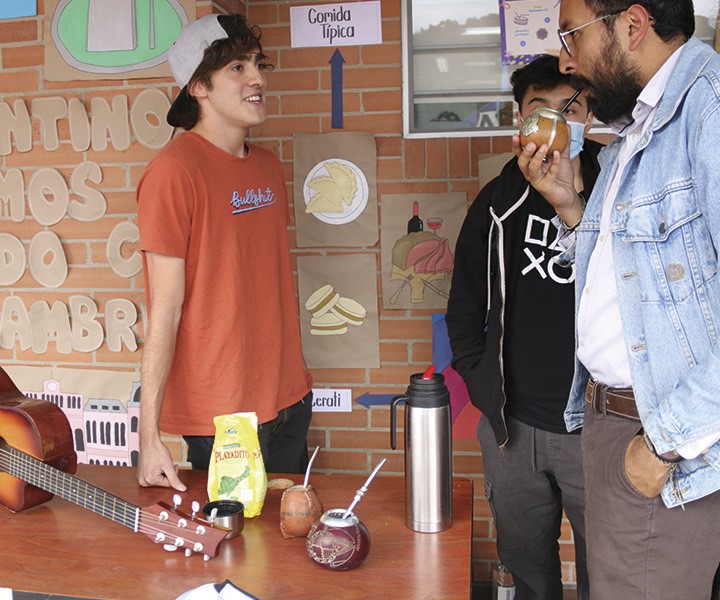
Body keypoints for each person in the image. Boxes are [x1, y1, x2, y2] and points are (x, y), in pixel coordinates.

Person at [515, 1, 720, 598]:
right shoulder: (638, 128)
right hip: (615, 426)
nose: (563, 57)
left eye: (572, 35)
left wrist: (662, 445)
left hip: (662, 442)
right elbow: (633, 279)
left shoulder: (706, 110)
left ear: (633, 25)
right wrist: (570, 208)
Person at [135, 14, 313, 491]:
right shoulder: (174, 173)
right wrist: (147, 437)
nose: (257, 78)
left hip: (289, 397)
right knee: (238, 559)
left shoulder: (269, 168)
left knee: (289, 545)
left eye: (257, 63)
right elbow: (165, 309)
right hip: (224, 417)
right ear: (198, 86)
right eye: (237, 68)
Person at [446, 54, 601, 599]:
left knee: (607, 574)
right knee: (527, 568)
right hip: (513, 428)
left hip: (599, 431)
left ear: (589, 116)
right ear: (519, 121)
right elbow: (463, 306)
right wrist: (484, 386)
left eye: (571, 108)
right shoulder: (497, 202)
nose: (558, 122)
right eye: (542, 109)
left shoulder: (619, 183)